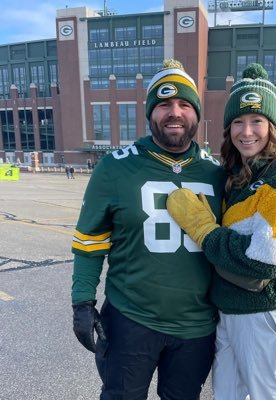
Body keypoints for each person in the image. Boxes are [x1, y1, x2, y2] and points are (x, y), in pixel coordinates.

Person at [71, 59, 224, 400]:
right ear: (150, 113)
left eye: (185, 104)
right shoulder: (116, 166)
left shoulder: (218, 173)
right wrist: (82, 302)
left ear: (196, 113)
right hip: (131, 319)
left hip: (197, 326)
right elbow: (89, 240)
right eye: (164, 104)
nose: (175, 113)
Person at [167, 63, 276, 400]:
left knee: (267, 394)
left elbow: (265, 261)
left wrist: (204, 230)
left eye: (256, 121)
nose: (246, 132)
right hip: (230, 310)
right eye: (238, 122)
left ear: (272, 126)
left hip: (267, 312)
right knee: (228, 395)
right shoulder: (237, 177)